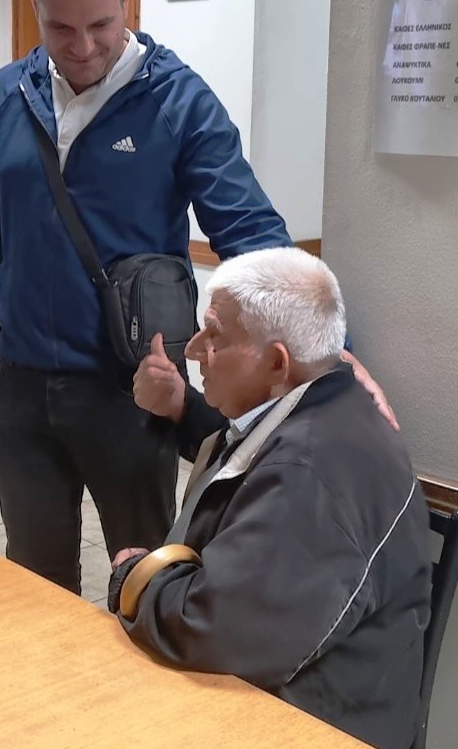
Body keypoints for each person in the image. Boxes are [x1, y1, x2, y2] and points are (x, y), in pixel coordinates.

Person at [0, 0, 294, 595]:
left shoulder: (178, 101)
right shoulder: (7, 95)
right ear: (34, 5)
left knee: (147, 580)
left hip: (132, 388)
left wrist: (319, 352)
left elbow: (250, 232)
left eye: (100, 24)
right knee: (35, 583)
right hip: (23, 387)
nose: (83, 47)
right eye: (60, 28)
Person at [108, 249, 430, 749]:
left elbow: (215, 631)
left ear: (277, 362)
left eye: (214, 335)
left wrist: (136, 578)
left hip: (310, 725)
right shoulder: (323, 407)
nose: (193, 349)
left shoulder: (312, 472)